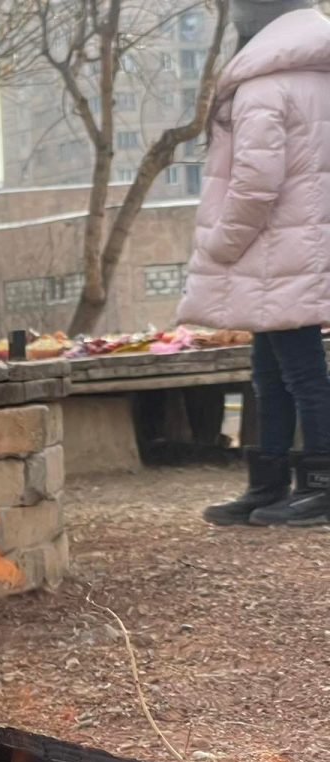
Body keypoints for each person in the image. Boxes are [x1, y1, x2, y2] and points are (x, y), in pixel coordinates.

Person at [181, 0, 330, 528]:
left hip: (273, 251)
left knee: (299, 373)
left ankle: (317, 489)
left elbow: (256, 186)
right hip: (302, 247)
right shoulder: (317, 77)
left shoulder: (266, 87)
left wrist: (220, 245)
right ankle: (267, 487)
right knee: (274, 370)